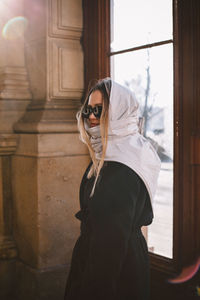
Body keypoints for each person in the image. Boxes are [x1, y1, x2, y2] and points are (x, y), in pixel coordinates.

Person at [64, 78, 161, 300]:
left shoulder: (120, 167)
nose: (91, 117)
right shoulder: (118, 153)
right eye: (88, 109)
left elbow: (108, 252)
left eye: (99, 110)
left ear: (119, 112)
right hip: (124, 261)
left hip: (114, 275)